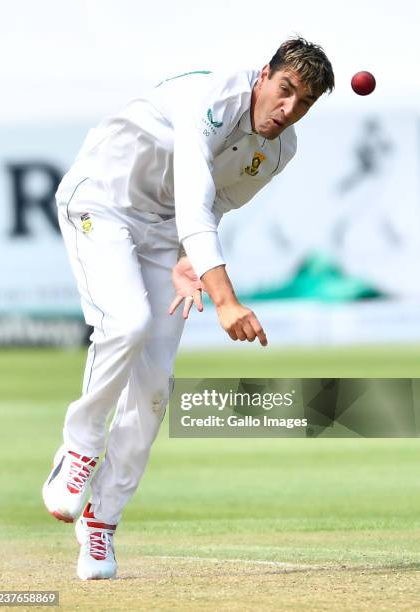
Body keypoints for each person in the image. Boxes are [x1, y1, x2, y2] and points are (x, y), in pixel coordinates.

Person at [42, 36, 334, 580]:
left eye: (304, 104)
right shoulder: (213, 96)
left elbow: (217, 204)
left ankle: (101, 523)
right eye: (285, 90)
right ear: (263, 75)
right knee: (126, 322)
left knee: (155, 388)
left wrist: (185, 258)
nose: (287, 110)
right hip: (102, 199)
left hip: (164, 234)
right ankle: (78, 449)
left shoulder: (279, 150)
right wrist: (224, 300)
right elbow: (197, 191)